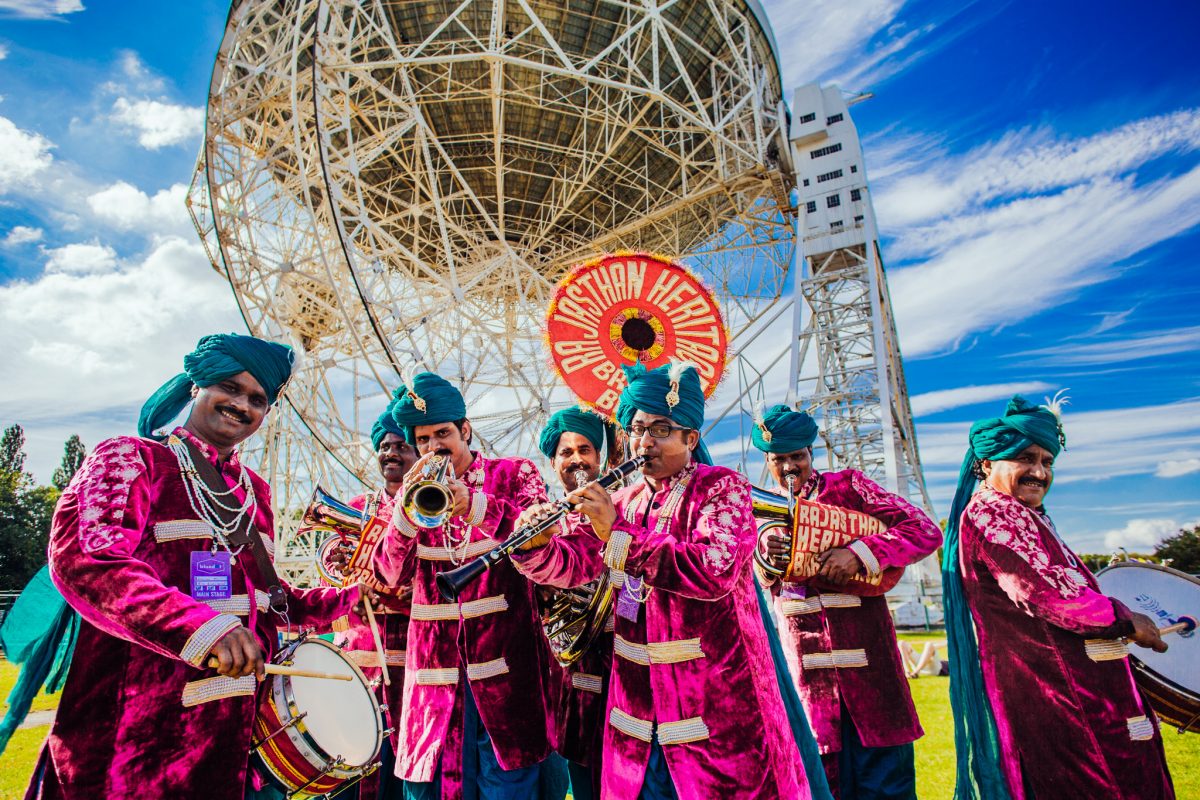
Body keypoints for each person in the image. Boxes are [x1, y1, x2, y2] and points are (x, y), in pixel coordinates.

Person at [26, 333, 360, 800]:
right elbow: (88, 560)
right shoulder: (130, 459)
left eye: (258, 399)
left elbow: (267, 599)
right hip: (132, 745)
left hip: (231, 745)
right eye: (229, 386)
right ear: (195, 387)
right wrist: (202, 628)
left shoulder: (254, 493)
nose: (241, 404)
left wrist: (355, 595)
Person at [511, 362, 813, 799]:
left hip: (717, 712)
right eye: (636, 429)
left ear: (691, 439)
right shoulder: (622, 499)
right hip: (635, 718)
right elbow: (572, 564)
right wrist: (535, 544)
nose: (645, 440)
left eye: (661, 429)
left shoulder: (722, 488)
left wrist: (616, 533)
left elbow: (713, 572)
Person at [943, 395, 1175, 800]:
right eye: (1025, 459)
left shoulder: (1025, 515)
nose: (1038, 472)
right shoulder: (994, 513)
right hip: (1060, 700)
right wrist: (1127, 619)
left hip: (1080, 695)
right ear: (986, 464)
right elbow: (1045, 594)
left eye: (1047, 462)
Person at [371, 372, 563, 800]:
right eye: (422, 440)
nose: (434, 447)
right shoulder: (410, 491)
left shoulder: (515, 474)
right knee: (429, 788)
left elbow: (547, 540)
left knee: (508, 786)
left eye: (443, 434)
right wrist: (405, 512)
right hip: (432, 685)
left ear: (466, 430)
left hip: (505, 680)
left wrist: (477, 505)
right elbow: (387, 574)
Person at [752, 403, 942, 800]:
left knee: (886, 788)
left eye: (797, 457)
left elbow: (923, 529)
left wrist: (860, 552)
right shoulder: (755, 512)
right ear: (767, 461)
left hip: (874, 682)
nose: (789, 468)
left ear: (811, 453)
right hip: (805, 686)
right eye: (779, 459)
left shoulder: (852, 487)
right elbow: (744, 579)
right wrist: (766, 556)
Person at [528, 406, 617, 800]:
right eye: (566, 453)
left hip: (626, 673)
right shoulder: (543, 521)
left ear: (602, 458)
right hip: (571, 685)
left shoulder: (626, 510)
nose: (576, 459)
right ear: (553, 463)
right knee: (584, 781)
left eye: (585, 449)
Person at [332, 403, 420, 799]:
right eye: (384, 445)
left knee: (403, 773)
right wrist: (345, 577)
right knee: (349, 764)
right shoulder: (355, 509)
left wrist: (384, 588)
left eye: (402, 445)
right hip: (357, 665)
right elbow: (331, 564)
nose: (391, 453)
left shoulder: (434, 511)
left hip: (414, 667)